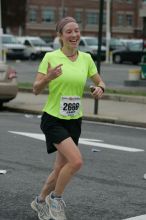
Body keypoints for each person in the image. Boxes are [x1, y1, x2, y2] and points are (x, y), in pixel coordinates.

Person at [31, 16, 105, 220]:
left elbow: (101, 82)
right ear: (60, 36)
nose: (74, 35)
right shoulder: (50, 57)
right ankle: (56, 199)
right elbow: (35, 89)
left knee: (59, 169)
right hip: (53, 118)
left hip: (74, 120)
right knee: (76, 161)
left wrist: (99, 88)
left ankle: (39, 202)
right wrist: (48, 77)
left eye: (77, 31)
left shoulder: (86, 59)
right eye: (69, 32)